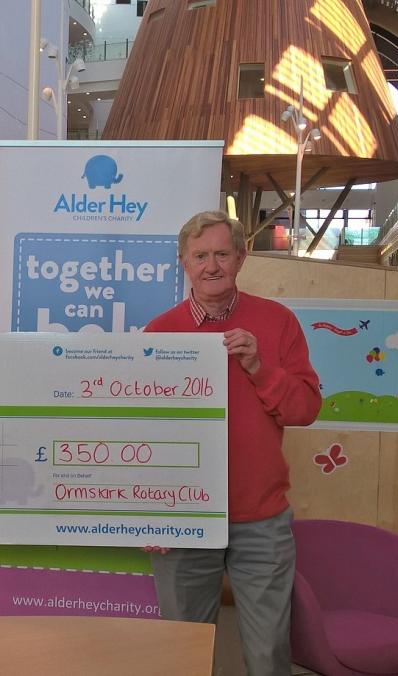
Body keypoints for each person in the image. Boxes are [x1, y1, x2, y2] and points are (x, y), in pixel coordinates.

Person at [144, 210, 321, 676]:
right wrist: (146, 512)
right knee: (183, 653)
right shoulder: (158, 333)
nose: (212, 265)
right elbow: (141, 431)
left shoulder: (278, 322)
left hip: (261, 519)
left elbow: (305, 410)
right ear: (183, 262)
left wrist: (260, 368)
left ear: (241, 258)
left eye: (223, 254)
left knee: (268, 655)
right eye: (201, 256)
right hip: (182, 520)